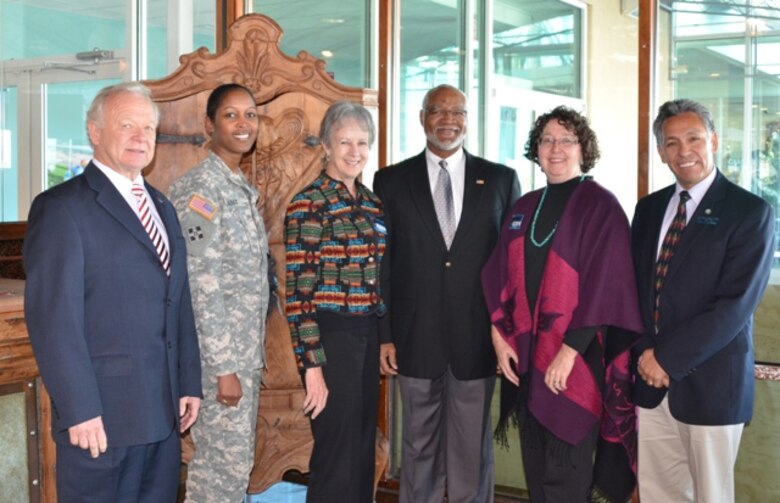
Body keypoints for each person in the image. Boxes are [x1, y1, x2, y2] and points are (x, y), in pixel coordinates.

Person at [23, 82, 202, 502]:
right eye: (127, 125)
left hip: (162, 413)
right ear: (95, 131)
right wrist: (79, 408)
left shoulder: (163, 206)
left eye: (149, 128)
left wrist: (188, 380)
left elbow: (177, 301)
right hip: (101, 418)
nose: (141, 137)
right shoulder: (62, 208)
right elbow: (54, 321)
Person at [481, 106, 643, 502]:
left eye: (566, 140)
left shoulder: (600, 206)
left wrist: (567, 353)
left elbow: (607, 289)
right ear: (536, 149)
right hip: (527, 362)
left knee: (566, 479)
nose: (556, 148)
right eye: (547, 140)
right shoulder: (524, 208)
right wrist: (499, 338)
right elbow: (497, 277)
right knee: (536, 476)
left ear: (583, 149)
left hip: (577, 362)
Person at [373, 84, 521, 503]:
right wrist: (385, 333)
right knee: (418, 448)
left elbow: (513, 267)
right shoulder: (390, 180)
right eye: (437, 111)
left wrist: (506, 333)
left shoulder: (500, 179)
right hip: (413, 336)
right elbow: (382, 263)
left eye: (457, 112)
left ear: (468, 120)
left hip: (478, 337)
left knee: (471, 450)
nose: (447, 120)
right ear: (422, 118)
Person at [631, 99, 775, 502]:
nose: (684, 151)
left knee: (711, 495)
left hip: (712, 385)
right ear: (661, 153)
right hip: (651, 382)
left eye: (693, 138)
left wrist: (667, 360)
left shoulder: (750, 212)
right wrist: (646, 352)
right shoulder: (648, 209)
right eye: (672, 143)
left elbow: (734, 306)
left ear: (712, 139)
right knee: (659, 493)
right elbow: (635, 290)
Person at [169, 83, 270, 502]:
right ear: (209, 124)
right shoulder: (202, 190)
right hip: (220, 362)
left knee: (232, 468)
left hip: (243, 356)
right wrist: (223, 368)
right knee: (218, 471)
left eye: (250, 115)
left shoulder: (238, 186)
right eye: (231, 115)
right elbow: (201, 282)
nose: (244, 124)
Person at [284, 101, 386, 503]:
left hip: (367, 335)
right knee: (335, 455)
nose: (354, 151)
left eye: (362, 142)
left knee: (362, 450)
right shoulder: (308, 203)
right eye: (344, 141)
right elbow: (298, 293)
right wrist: (311, 366)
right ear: (326, 145)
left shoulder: (372, 203)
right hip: (330, 338)